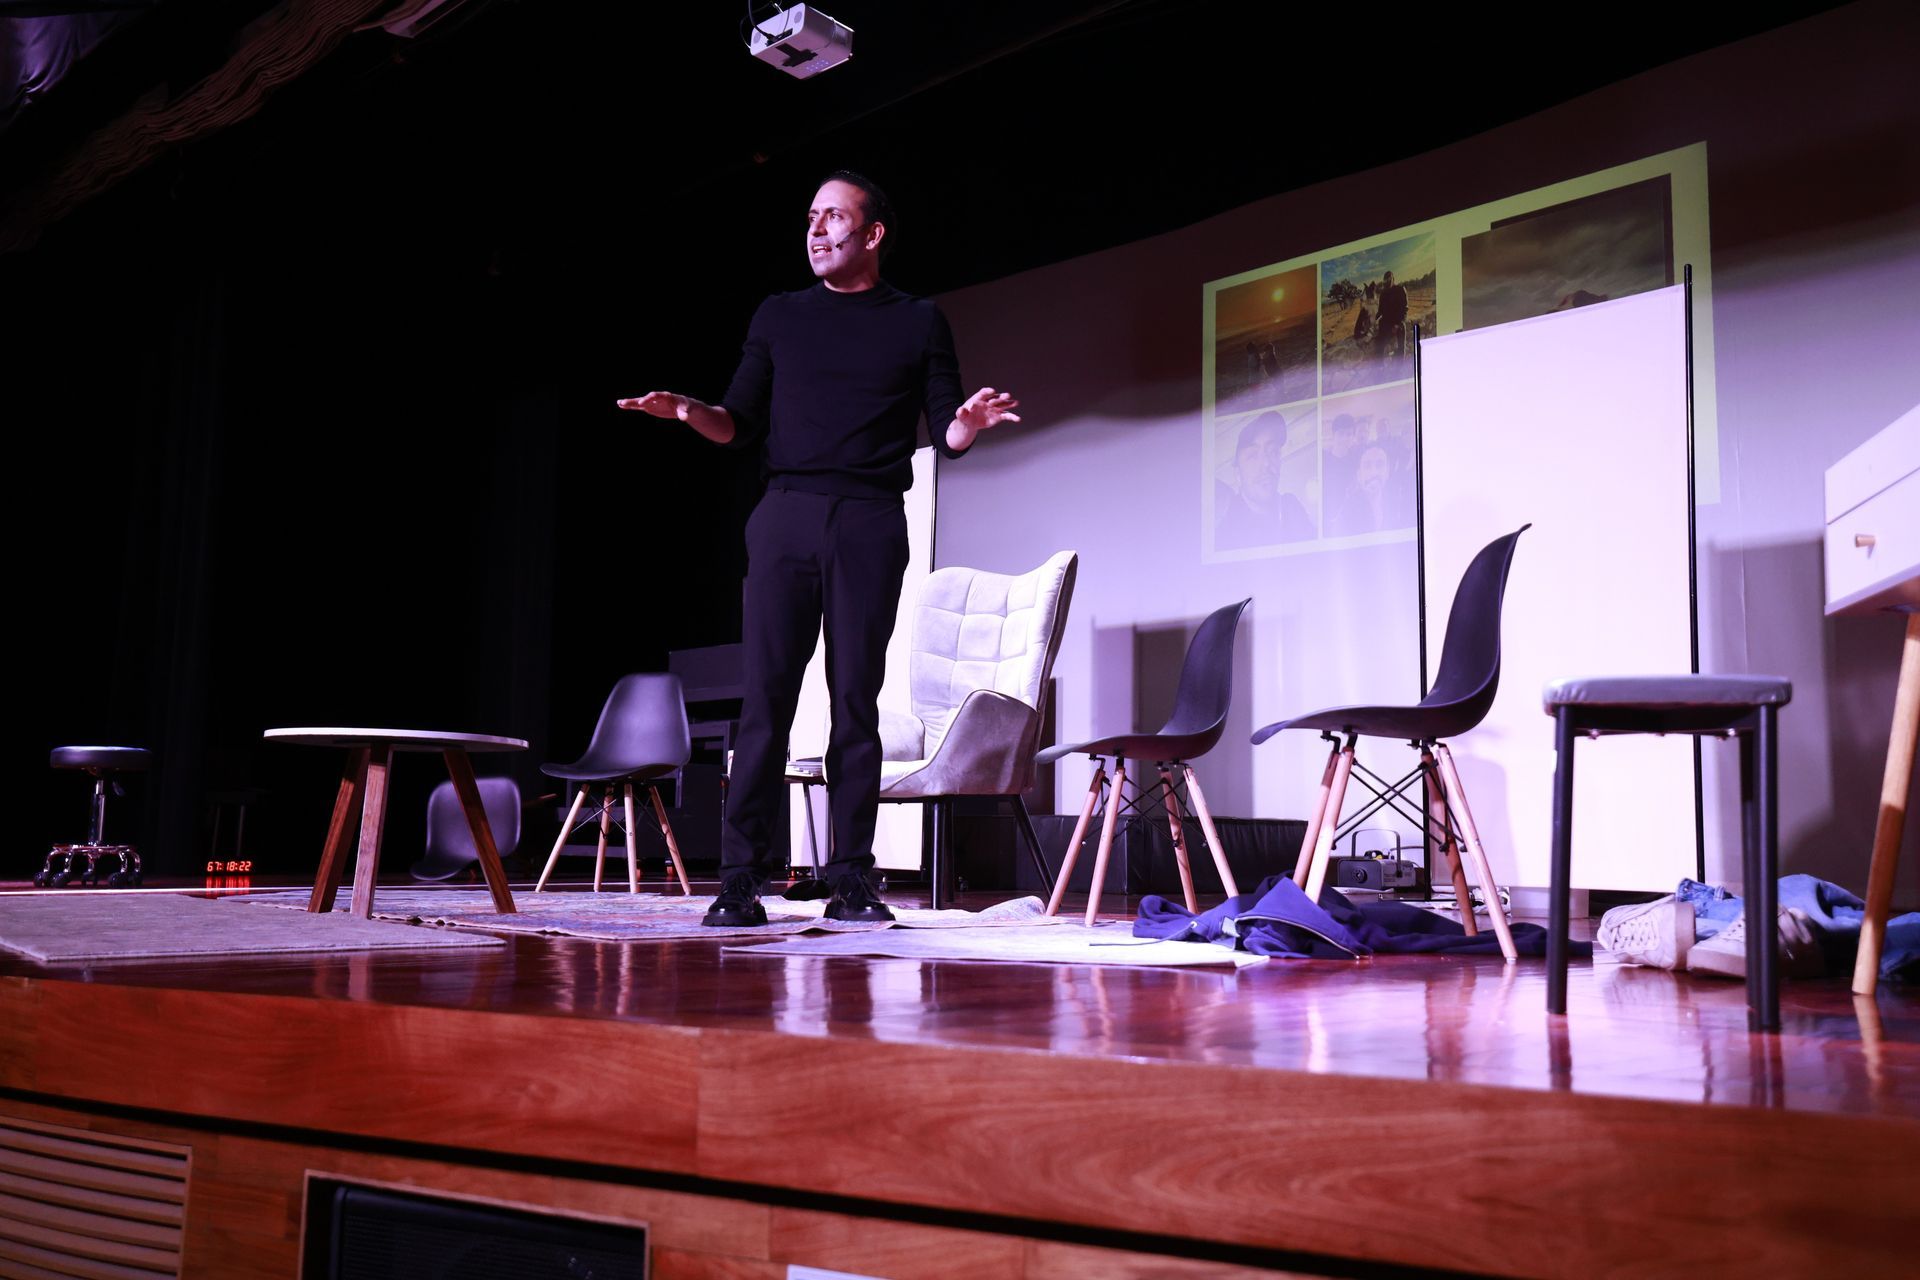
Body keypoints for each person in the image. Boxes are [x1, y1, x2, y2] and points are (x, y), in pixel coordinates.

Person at [617, 171, 1019, 927]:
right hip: (786, 517)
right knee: (765, 703)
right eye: (810, 218)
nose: (816, 230)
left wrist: (966, 423)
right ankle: (740, 880)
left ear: (872, 233)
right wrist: (691, 411)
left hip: (870, 520)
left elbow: (947, 429)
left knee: (854, 704)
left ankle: (852, 879)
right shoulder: (780, 314)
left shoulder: (919, 320)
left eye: (833, 217)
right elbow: (738, 423)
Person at [1215, 410, 1314, 549]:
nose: (1267, 463)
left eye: (1273, 452)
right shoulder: (1224, 534)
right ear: (1237, 474)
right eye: (1253, 456)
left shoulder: (1292, 508)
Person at [1374, 270, 1409, 359]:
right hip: (1386, 323)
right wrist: (1373, 320)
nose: (1388, 281)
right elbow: (1380, 311)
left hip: (1399, 322)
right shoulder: (1383, 294)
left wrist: (1398, 324)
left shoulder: (1400, 289)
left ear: (1393, 279)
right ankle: (1380, 364)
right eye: (1386, 280)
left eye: (1389, 279)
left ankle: (1401, 363)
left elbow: (1405, 309)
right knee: (1379, 344)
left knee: (1401, 346)